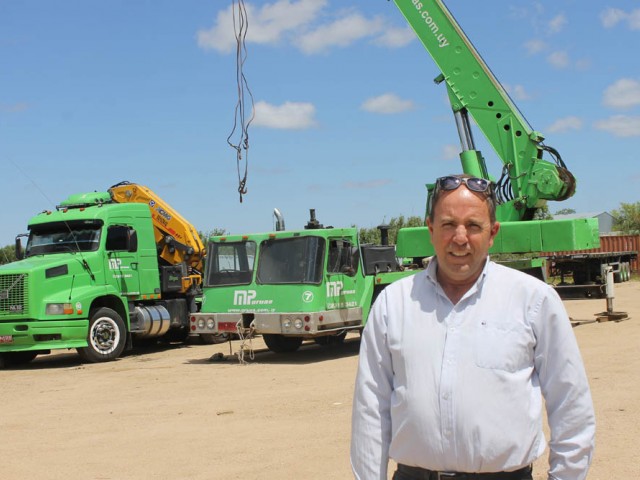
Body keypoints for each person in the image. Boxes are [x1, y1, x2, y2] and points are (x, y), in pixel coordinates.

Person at [350, 174, 595, 480]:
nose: (460, 237)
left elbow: (571, 404)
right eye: (448, 224)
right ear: (430, 229)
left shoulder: (533, 300)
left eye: (474, 226)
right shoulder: (393, 304)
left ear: (492, 233)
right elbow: (370, 408)